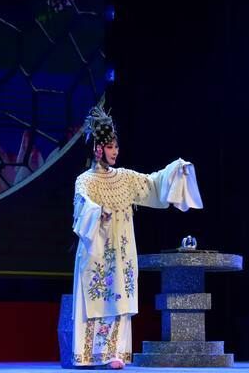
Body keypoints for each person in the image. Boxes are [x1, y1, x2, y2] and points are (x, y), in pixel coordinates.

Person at [71, 106, 203, 369]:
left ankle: (114, 354)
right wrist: (98, 211)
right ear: (98, 149)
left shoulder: (126, 178)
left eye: (116, 147)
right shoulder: (85, 180)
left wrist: (175, 169)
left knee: (120, 297)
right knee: (97, 296)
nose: (115, 151)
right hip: (97, 251)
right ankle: (89, 354)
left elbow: (153, 183)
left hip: (122, 253)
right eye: (110, 147)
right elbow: (81, 204)